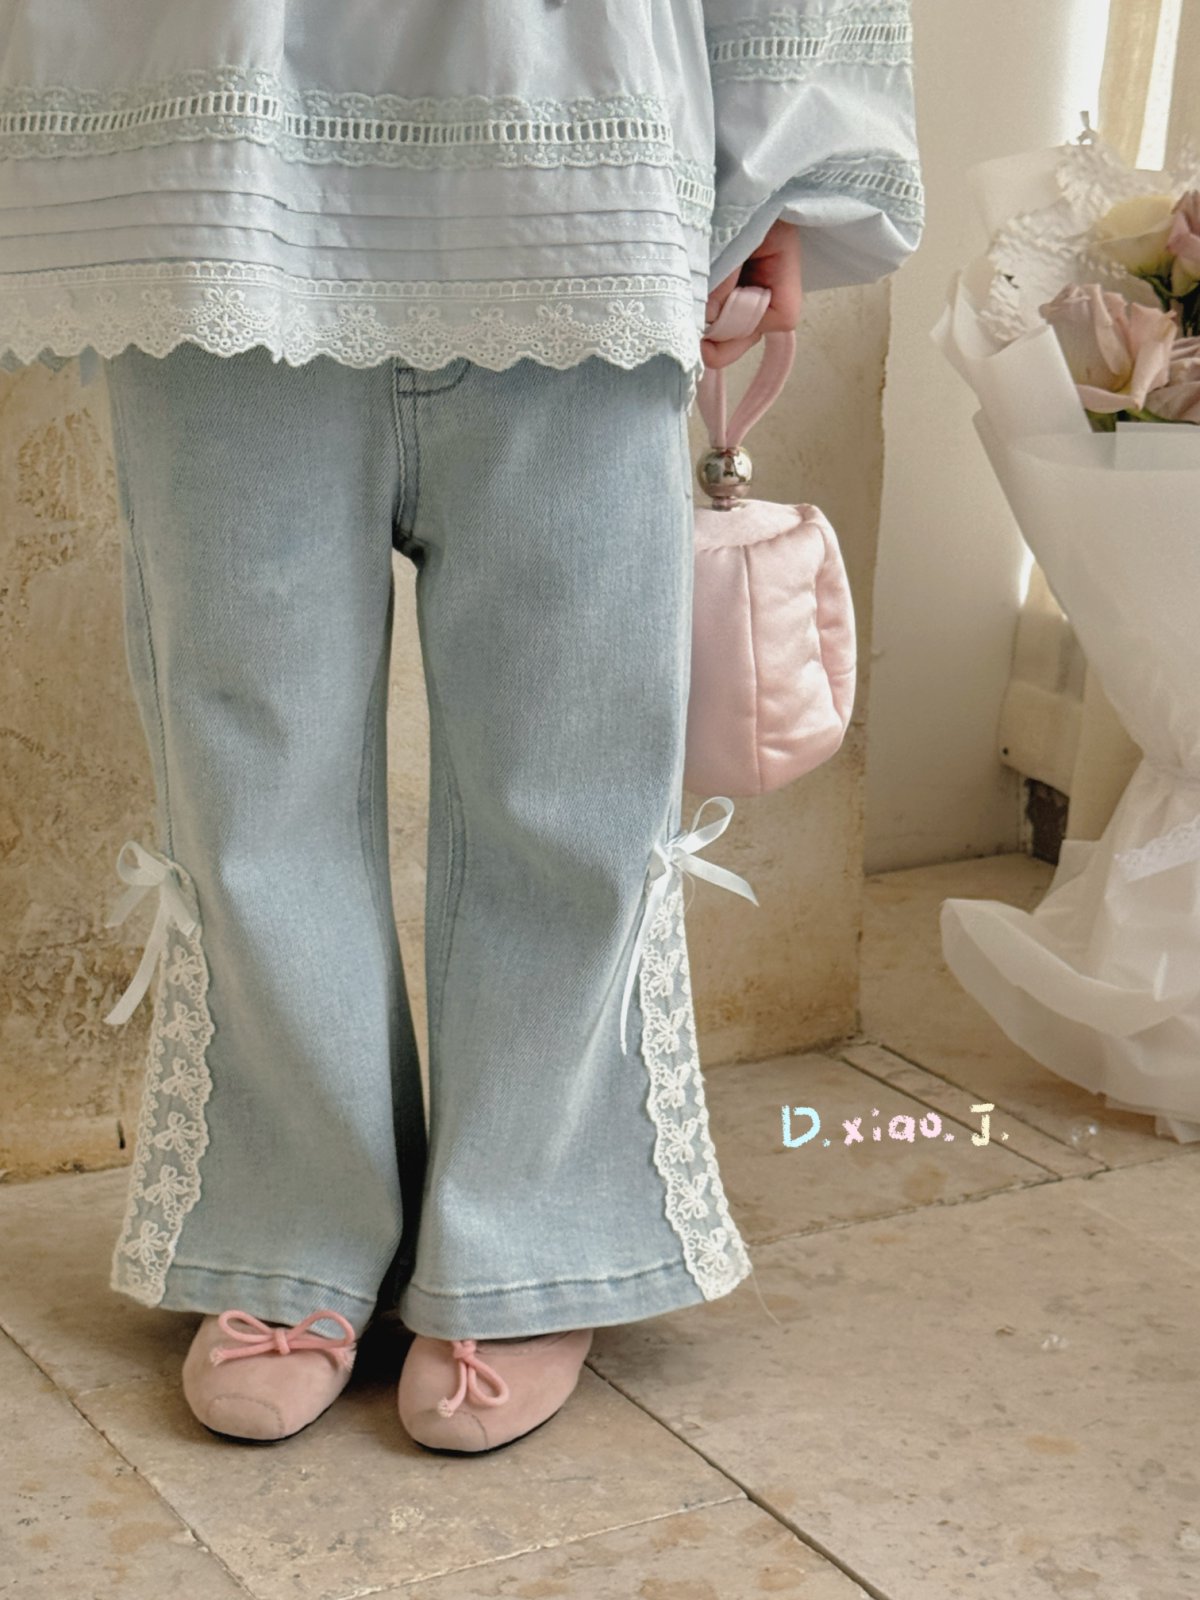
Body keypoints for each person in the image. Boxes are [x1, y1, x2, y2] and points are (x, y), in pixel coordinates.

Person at [0, 0, 923, 1452]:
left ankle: (530, 1231)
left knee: (571, 772)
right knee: (249, 762)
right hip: (210, 162)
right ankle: (291, 1222)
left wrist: (782, 160)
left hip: (576, 161)